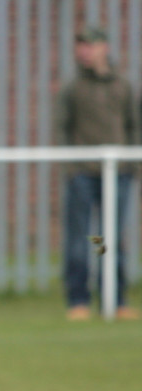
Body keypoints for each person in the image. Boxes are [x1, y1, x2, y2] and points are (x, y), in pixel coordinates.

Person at [53, 26, 139, 321]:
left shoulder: (123, 86)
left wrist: (133, 165)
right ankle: (78, 300)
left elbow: (134, 125)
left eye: (89, 45)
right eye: (80, 45)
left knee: (109, 237)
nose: (84, 51)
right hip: (83, 174)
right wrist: (71, 168)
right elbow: (61, 129)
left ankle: (115, 299)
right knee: (85, 238)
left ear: (104, 47)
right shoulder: (73, 87)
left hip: (119, 173)